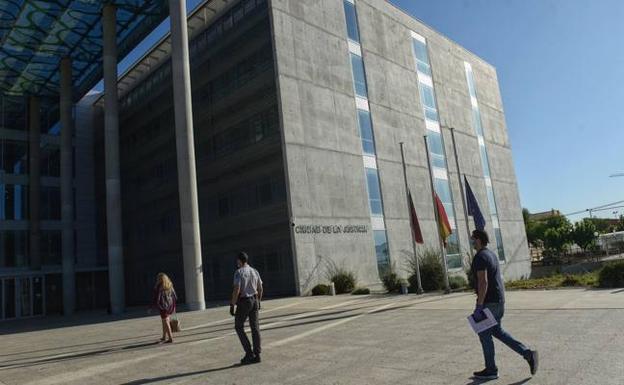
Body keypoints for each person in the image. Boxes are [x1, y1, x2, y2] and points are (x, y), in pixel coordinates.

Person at [470, 229, 538, 380]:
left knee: (484, 334)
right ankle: (528, 354)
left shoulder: (480, 257)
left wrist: (479, 306)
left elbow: (483, 281)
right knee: (497, 332)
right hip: (499, 301)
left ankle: (491, 370)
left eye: (472, 239)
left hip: (489, 302)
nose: (471, 241)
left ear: (479, 239)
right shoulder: (491, 254)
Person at [230, 252, 263, 365]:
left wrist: (232, 304)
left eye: (237, 261)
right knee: (255, 327)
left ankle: (249, 353)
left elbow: (237, 289)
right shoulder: (255, 271)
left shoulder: (239, 272)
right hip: (254, 299)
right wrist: (259, 301)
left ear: (239, 261)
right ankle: (257, 354)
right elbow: (260, 288)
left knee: (238, 326)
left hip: (244, 301)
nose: (236, 263)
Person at [149, 272, 177, 343]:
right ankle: (164, 336)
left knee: (166, 321)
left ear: (160, 279)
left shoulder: (159, 286)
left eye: (158, 278)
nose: (157, 279)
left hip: (163, 306)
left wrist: (152, 307)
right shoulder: (170, 285)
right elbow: (175, 296)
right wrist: (173, 306)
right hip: (170, 306)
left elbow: (156, 298)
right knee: (164, 321)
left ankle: (170, 338)